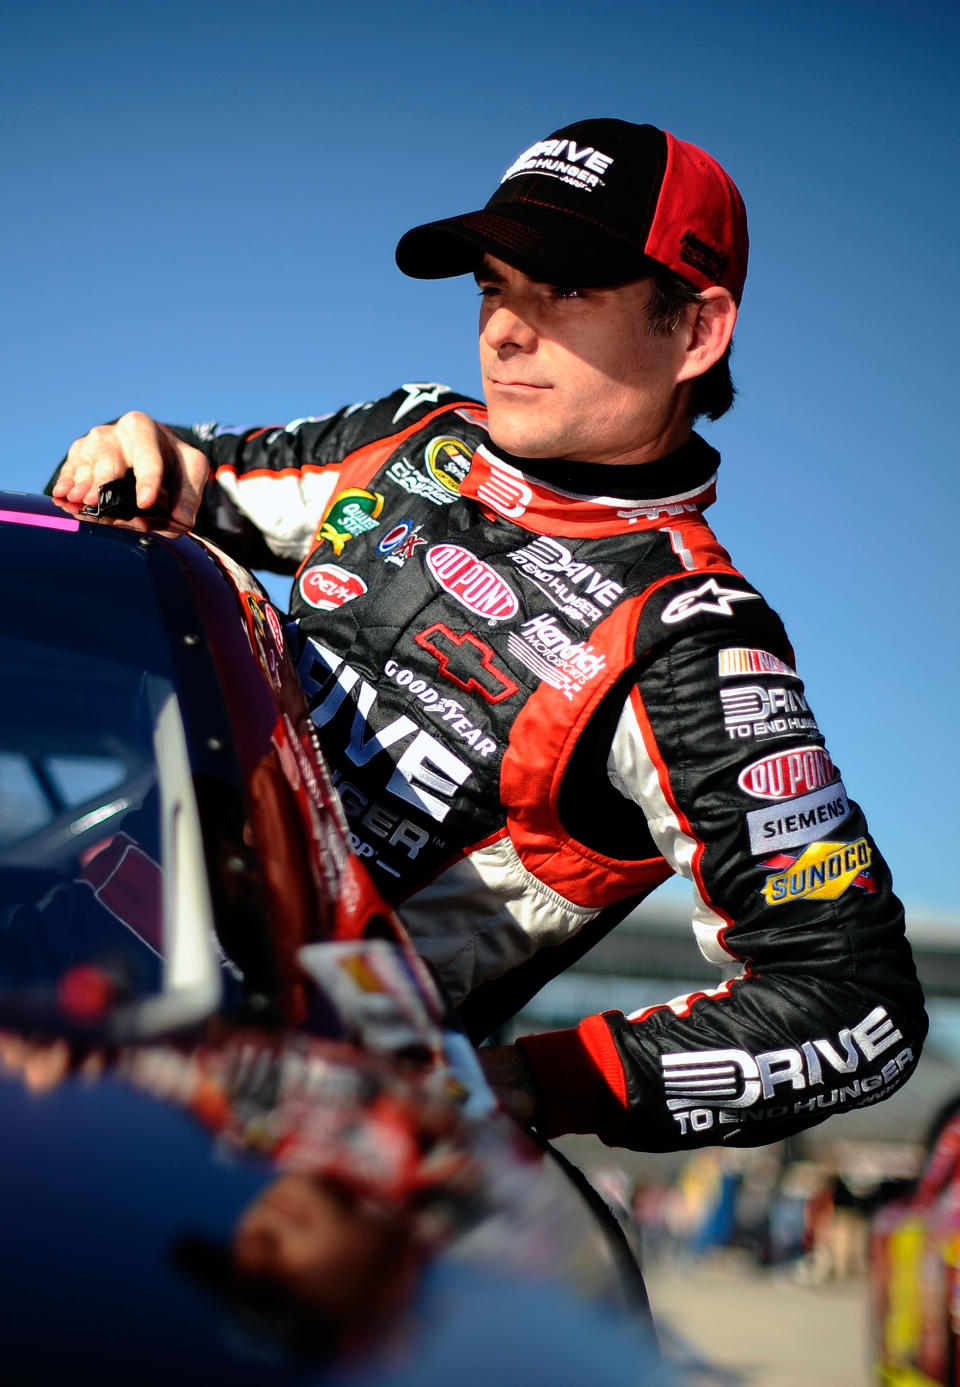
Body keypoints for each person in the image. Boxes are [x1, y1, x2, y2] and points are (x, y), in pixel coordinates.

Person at [50, 117, 927, 1152]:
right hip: (55, 953)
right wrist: (137, 448)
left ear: (694, 330)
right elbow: (186, 479)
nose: (505, 330)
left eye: (565, 292)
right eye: (494, 288)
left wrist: (512, 1086)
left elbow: (855, 1004)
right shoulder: (407, 439)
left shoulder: (691, 641)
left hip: (249, 1127)